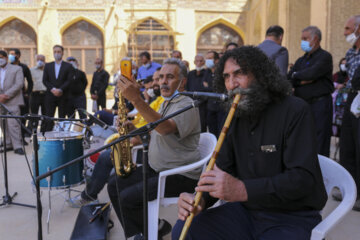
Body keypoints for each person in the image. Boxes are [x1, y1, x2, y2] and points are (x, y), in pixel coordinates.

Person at [172, 46, 328, 240]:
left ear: (261, 75)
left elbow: (301, 179)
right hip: (246, 213)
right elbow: (221, 171)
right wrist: (199, 200)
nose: (231, 84)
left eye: (239, 74)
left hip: (291, 216)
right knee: (184, 230)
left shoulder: (295, 111)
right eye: (226, 77)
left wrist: (242, 189)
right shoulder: (234, 117)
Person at [107, 58, 201, 239]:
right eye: (161, 77)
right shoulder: (165, 103)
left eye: (170, 77)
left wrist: (136, 99)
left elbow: (165, 128)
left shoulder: (187, 104)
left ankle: (149, 231)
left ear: (182, 82)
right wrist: (134, 130)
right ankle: (144, 232)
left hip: (179, 175)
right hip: (158, 168)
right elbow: (155, 134)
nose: (163, 82)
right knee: (114, 184)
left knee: (128, 198)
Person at [69, 68, 165, 208]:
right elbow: (141, 120)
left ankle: (90, 195)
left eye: (159, 79)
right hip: (137, 135)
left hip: (145, 147)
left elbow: (155, 133)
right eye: (155, 79)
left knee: (105, 157)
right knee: (108, 156)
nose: (154, 83)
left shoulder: (163, 102)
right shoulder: (156, 99)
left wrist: (133, 136)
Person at [288, 26, 334, 157]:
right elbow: (289, 78)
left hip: (319, 105)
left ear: (315, 39)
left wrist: (298, 76)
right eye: (302, 39)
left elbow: (312, 73)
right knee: (302, 140)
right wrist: (300, 78)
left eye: (305, 38)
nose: (302, 42)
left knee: (319, 142)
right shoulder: (301, 60)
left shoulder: (324, 57)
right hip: (302, 105)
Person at [335, 15, 360, 211]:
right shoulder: (351, 53)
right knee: (347, 146)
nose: (345, 32)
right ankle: (351, 190)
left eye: (348, 28)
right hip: (351, 99)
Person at [42, 45, 74, 131]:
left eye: (58, 52)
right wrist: (53, 89)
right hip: (50, 95)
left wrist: (60, 89)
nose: (57, 54)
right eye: (55, 52)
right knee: (49, 117)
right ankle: (48, 136)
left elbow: (69, 80)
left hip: (63, 96)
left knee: (62, 117)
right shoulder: (48, 66)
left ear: (62, 53)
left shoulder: (68, 66)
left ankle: (61, 136)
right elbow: (45, 80)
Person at [0, 50, 25, 155]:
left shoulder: (17, 69)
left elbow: (19, 84)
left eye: (1, 57)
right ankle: (8, 143)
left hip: (13, 100)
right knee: (3, 123)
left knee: (13, 123)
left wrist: (6, 95)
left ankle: (17, 146)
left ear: (6, 58)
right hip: (0, 101)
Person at [9, 48, 33, 139]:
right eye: (9, 54)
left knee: (23, 116)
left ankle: (22, 137)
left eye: (12, 54)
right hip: (10, 95)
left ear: (18, 55)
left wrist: (28, 93)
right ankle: (12, 139)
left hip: (22, 95)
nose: (10, 56)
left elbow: (30, 81)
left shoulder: (24, 67)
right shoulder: (7, 66)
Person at [186, 54, 209, 132]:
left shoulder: (207, 73)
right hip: (191, 103)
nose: (199, 63)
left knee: (202, 125)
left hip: (203, 105)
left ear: (204, 62)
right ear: (194, 62)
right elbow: (188, 87)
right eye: (197, 61)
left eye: (201, 61)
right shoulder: (190, 74)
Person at [205, 50, 224, 138]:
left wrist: (208, 87)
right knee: (212, 133)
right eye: (207, 58)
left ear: (216, 60)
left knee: (221, 132)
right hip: (210, 107)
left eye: (210, 58)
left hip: (221, 108)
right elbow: (203, 87)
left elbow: (219, 88)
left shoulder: (222, 73)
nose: (207, 61)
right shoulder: (206, 73)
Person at [29, 54, 47, 131]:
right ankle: (33, 130)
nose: (40, 61)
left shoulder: (48, 70)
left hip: (46, 94)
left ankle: (44, 130)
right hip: (35, 94)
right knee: (34, 114)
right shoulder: (31, 70)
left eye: (42, 60)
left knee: (46, 114)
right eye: (38, 59)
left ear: (44, 61)